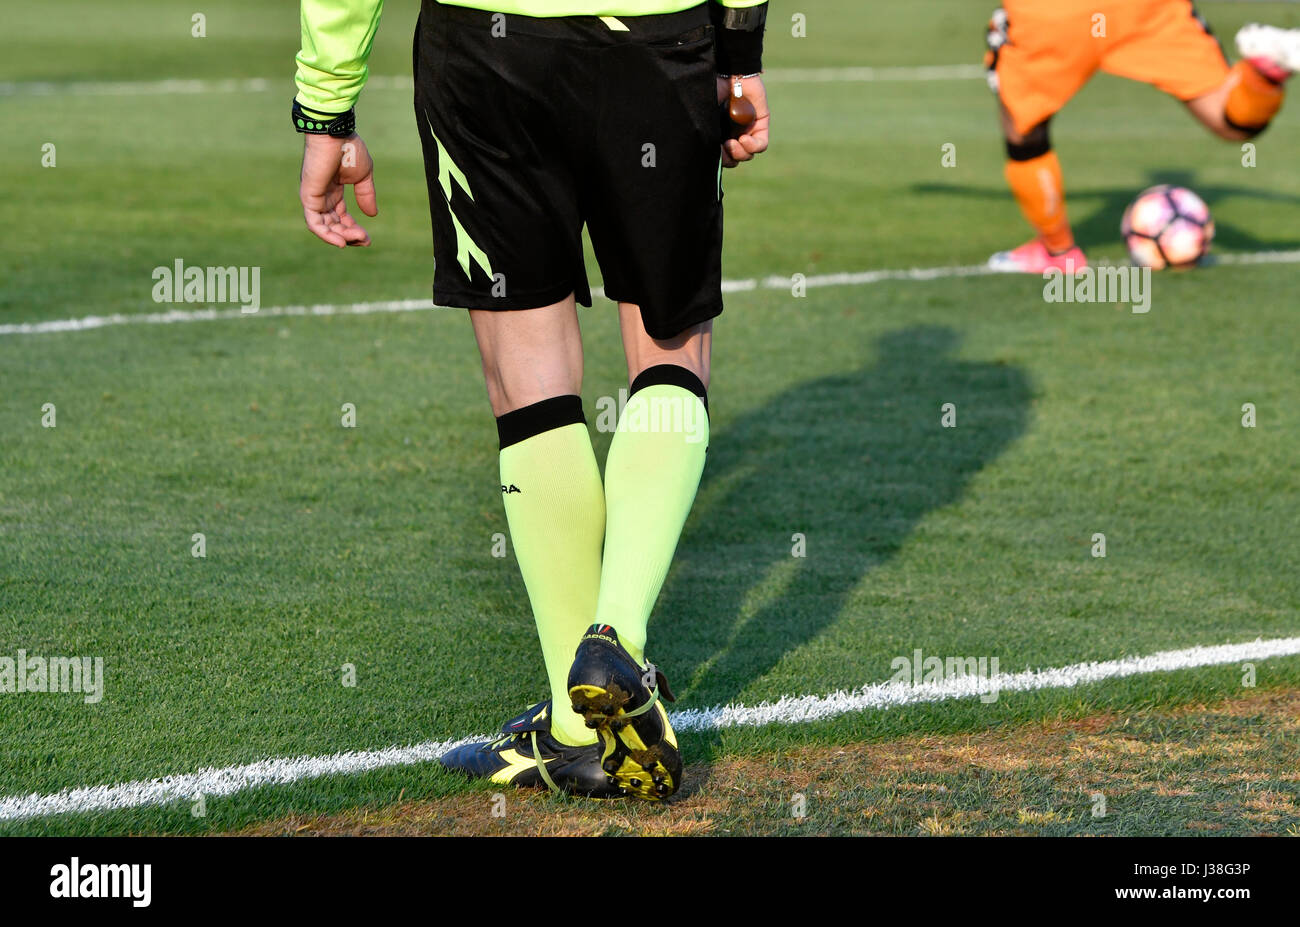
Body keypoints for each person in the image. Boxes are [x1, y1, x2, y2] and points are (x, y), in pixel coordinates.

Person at [293, 0, 771, 800]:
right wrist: (741, 49)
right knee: (669, 348)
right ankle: (614, 636)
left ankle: (578, 731)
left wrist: (326, 104)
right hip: (656, 38)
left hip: (485, 45)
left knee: (528, 377)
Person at [983, 0, 1299, 273]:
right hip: (1145, 9)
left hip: (1059, 12)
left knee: (1023, 128)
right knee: (1230, 120)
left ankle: (1058, 252)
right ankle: (1266, 75)